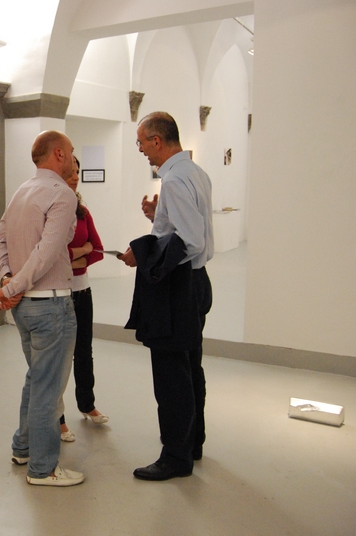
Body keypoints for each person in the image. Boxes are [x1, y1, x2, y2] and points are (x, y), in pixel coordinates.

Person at [118, 111, 214, 481]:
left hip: (179, 287)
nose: (140, 148)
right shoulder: (195, 173)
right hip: (197, 282)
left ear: (157, 140)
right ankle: (192, 443)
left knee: (172, 375)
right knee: (190, 367)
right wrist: (158, 217)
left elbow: (191, 240)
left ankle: (175, 457)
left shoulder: (173, 179)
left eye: (142, 141)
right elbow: (188, 229)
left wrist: (141, 253)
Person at [0, 130, 83, 487]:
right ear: (58, 154)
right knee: (47, 388)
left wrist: (7, 279)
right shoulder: (61, 194)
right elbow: (45, 254)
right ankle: (43, 468)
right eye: (71, 151)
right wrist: (10, 287)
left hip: (25, 309)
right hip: (50, 306)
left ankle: (23, 446)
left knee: (36, 379)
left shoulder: (21, 191)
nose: (73, 158)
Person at [58, 156, 108, 443]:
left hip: (83, 291)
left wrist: (75, 256)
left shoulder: (82, 211)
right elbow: (53, 256)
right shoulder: (53, 210)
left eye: (77, 171)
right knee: (59, 357)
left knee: (84, 352)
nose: (75, 177)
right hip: (59, 293)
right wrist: (82, 251)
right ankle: (58, 418)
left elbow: (98, 249)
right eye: (70, 172)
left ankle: (87, 404)